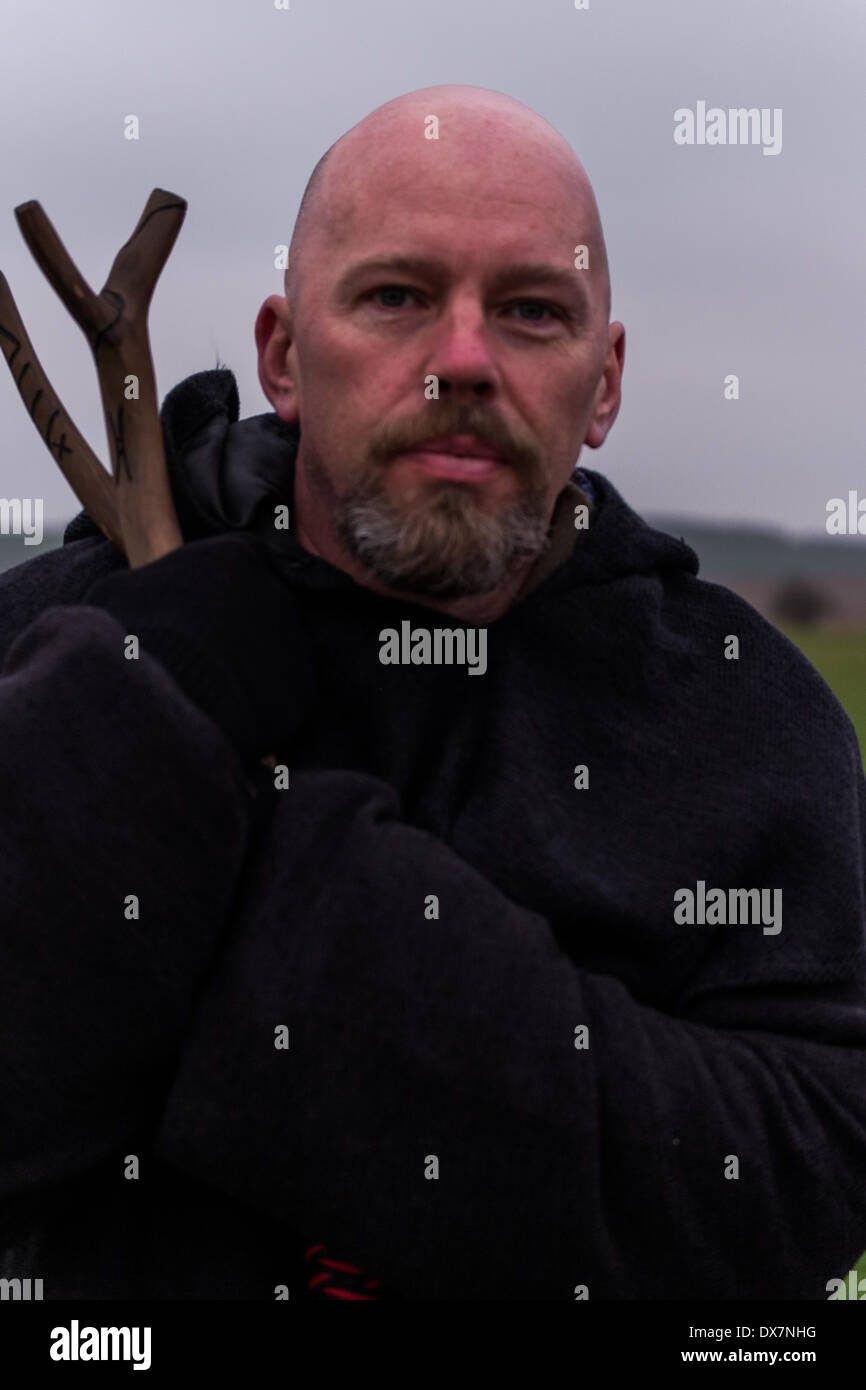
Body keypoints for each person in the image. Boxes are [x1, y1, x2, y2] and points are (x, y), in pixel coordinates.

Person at [0, 83, 864, 1302]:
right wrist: (119, 731)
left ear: (602, 382)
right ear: (283, 355)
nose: (461, 361)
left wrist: (304, 895)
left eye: (528, 310)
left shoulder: (740, 723)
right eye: (397, 296)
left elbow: (801, 1171)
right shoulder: (66, 641)